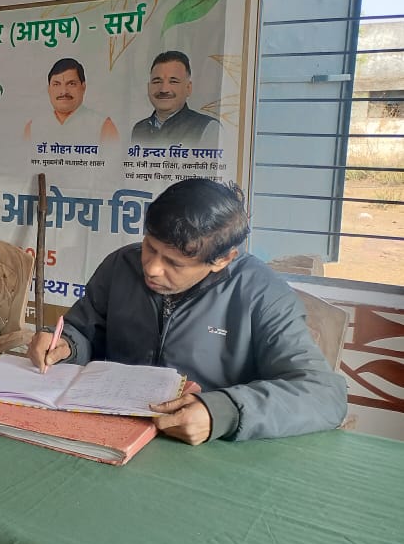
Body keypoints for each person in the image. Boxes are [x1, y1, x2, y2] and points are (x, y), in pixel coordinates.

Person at [28, 178, 348, 444]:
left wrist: (222, 412)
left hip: (203, 445)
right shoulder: (121, 265)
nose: (151, 268)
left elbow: (323, 395)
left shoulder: (262, 294)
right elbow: (85, 329)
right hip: (109, 431)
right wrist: (66, 345)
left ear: (223, 259)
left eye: (174, 263)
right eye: (150, 247)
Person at [131, 50, 222, 146]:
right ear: (148, 87)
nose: (164, 90)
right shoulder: (139, 129)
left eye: (173, 81)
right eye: (157, 81)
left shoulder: (208, 128)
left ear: (188, 88)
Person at [23, 57, 119, 144]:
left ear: (83, 87)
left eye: (71, 84)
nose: (64, 91)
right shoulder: (33, 128)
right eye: (56, 84)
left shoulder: (103, 126)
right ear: (49, 89)